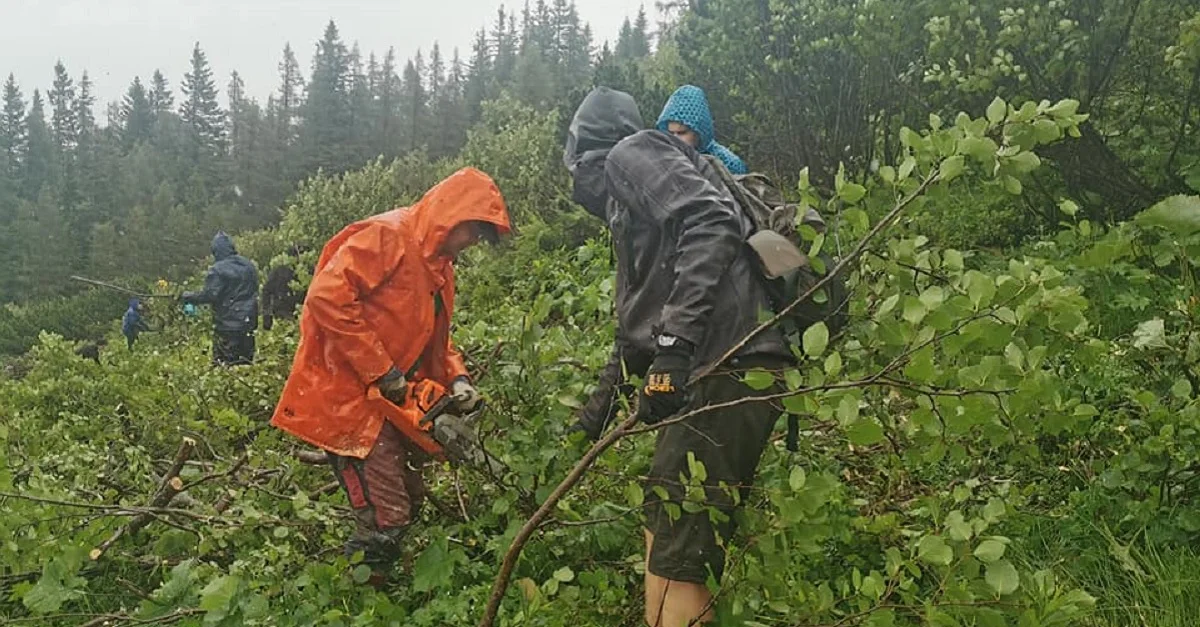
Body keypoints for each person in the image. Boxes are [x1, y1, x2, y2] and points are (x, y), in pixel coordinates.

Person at [564, 87, 792, 626]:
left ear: (580, 152)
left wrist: (674, 351)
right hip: (724, 372)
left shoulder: (630, 155)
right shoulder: (637, 213)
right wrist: (587, 425)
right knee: (669, 524)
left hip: (726, 367)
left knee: (680, 547)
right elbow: (632, 335)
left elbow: (713, 220)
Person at [270, 167, 511, 586]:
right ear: (452, 216)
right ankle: (362, 600)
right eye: (474, 230)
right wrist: (380, 368)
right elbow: (326, 297)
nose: (474, 242)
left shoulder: (439, 268)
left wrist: (458, 381)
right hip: (346, 398)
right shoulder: (388, 237)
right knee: (388, 512)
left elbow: (436, 341)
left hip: (383, 402)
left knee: (409, 498)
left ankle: (379, 586)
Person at [182, 232, 260, 366]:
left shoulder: (217, 270)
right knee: (246, 363)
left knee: (223, 365)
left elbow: (210, 295)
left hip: (227, 326)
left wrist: (188, 296)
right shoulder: (248, 265)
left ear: (215, 251)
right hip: (249, 322)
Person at [656, 84, 749, 175]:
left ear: (698, 132)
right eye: (670, 133)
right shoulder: (664, 163)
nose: (674, 139)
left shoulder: (728, 165)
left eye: (682, 133)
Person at [261, 263, 302, 331]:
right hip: (282, 311)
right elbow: (267, 292)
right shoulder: (278, 271)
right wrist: (267, 316)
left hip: (296, 311)